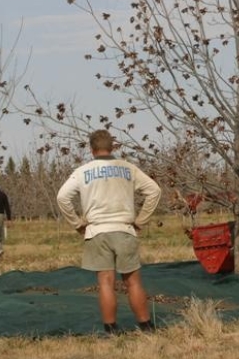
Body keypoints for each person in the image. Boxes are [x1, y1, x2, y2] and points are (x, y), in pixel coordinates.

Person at [56, 129, 162, 335]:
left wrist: (77, 224)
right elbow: (154, 190)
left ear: (91, 149)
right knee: (133, 281)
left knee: (105, 282)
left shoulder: (82, 171)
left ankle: (111, 328)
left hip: (97, 231)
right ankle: (146, 326)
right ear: (112, 147)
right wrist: (141, 221)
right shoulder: (127, 168)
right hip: (124, 229)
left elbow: (62, 197)